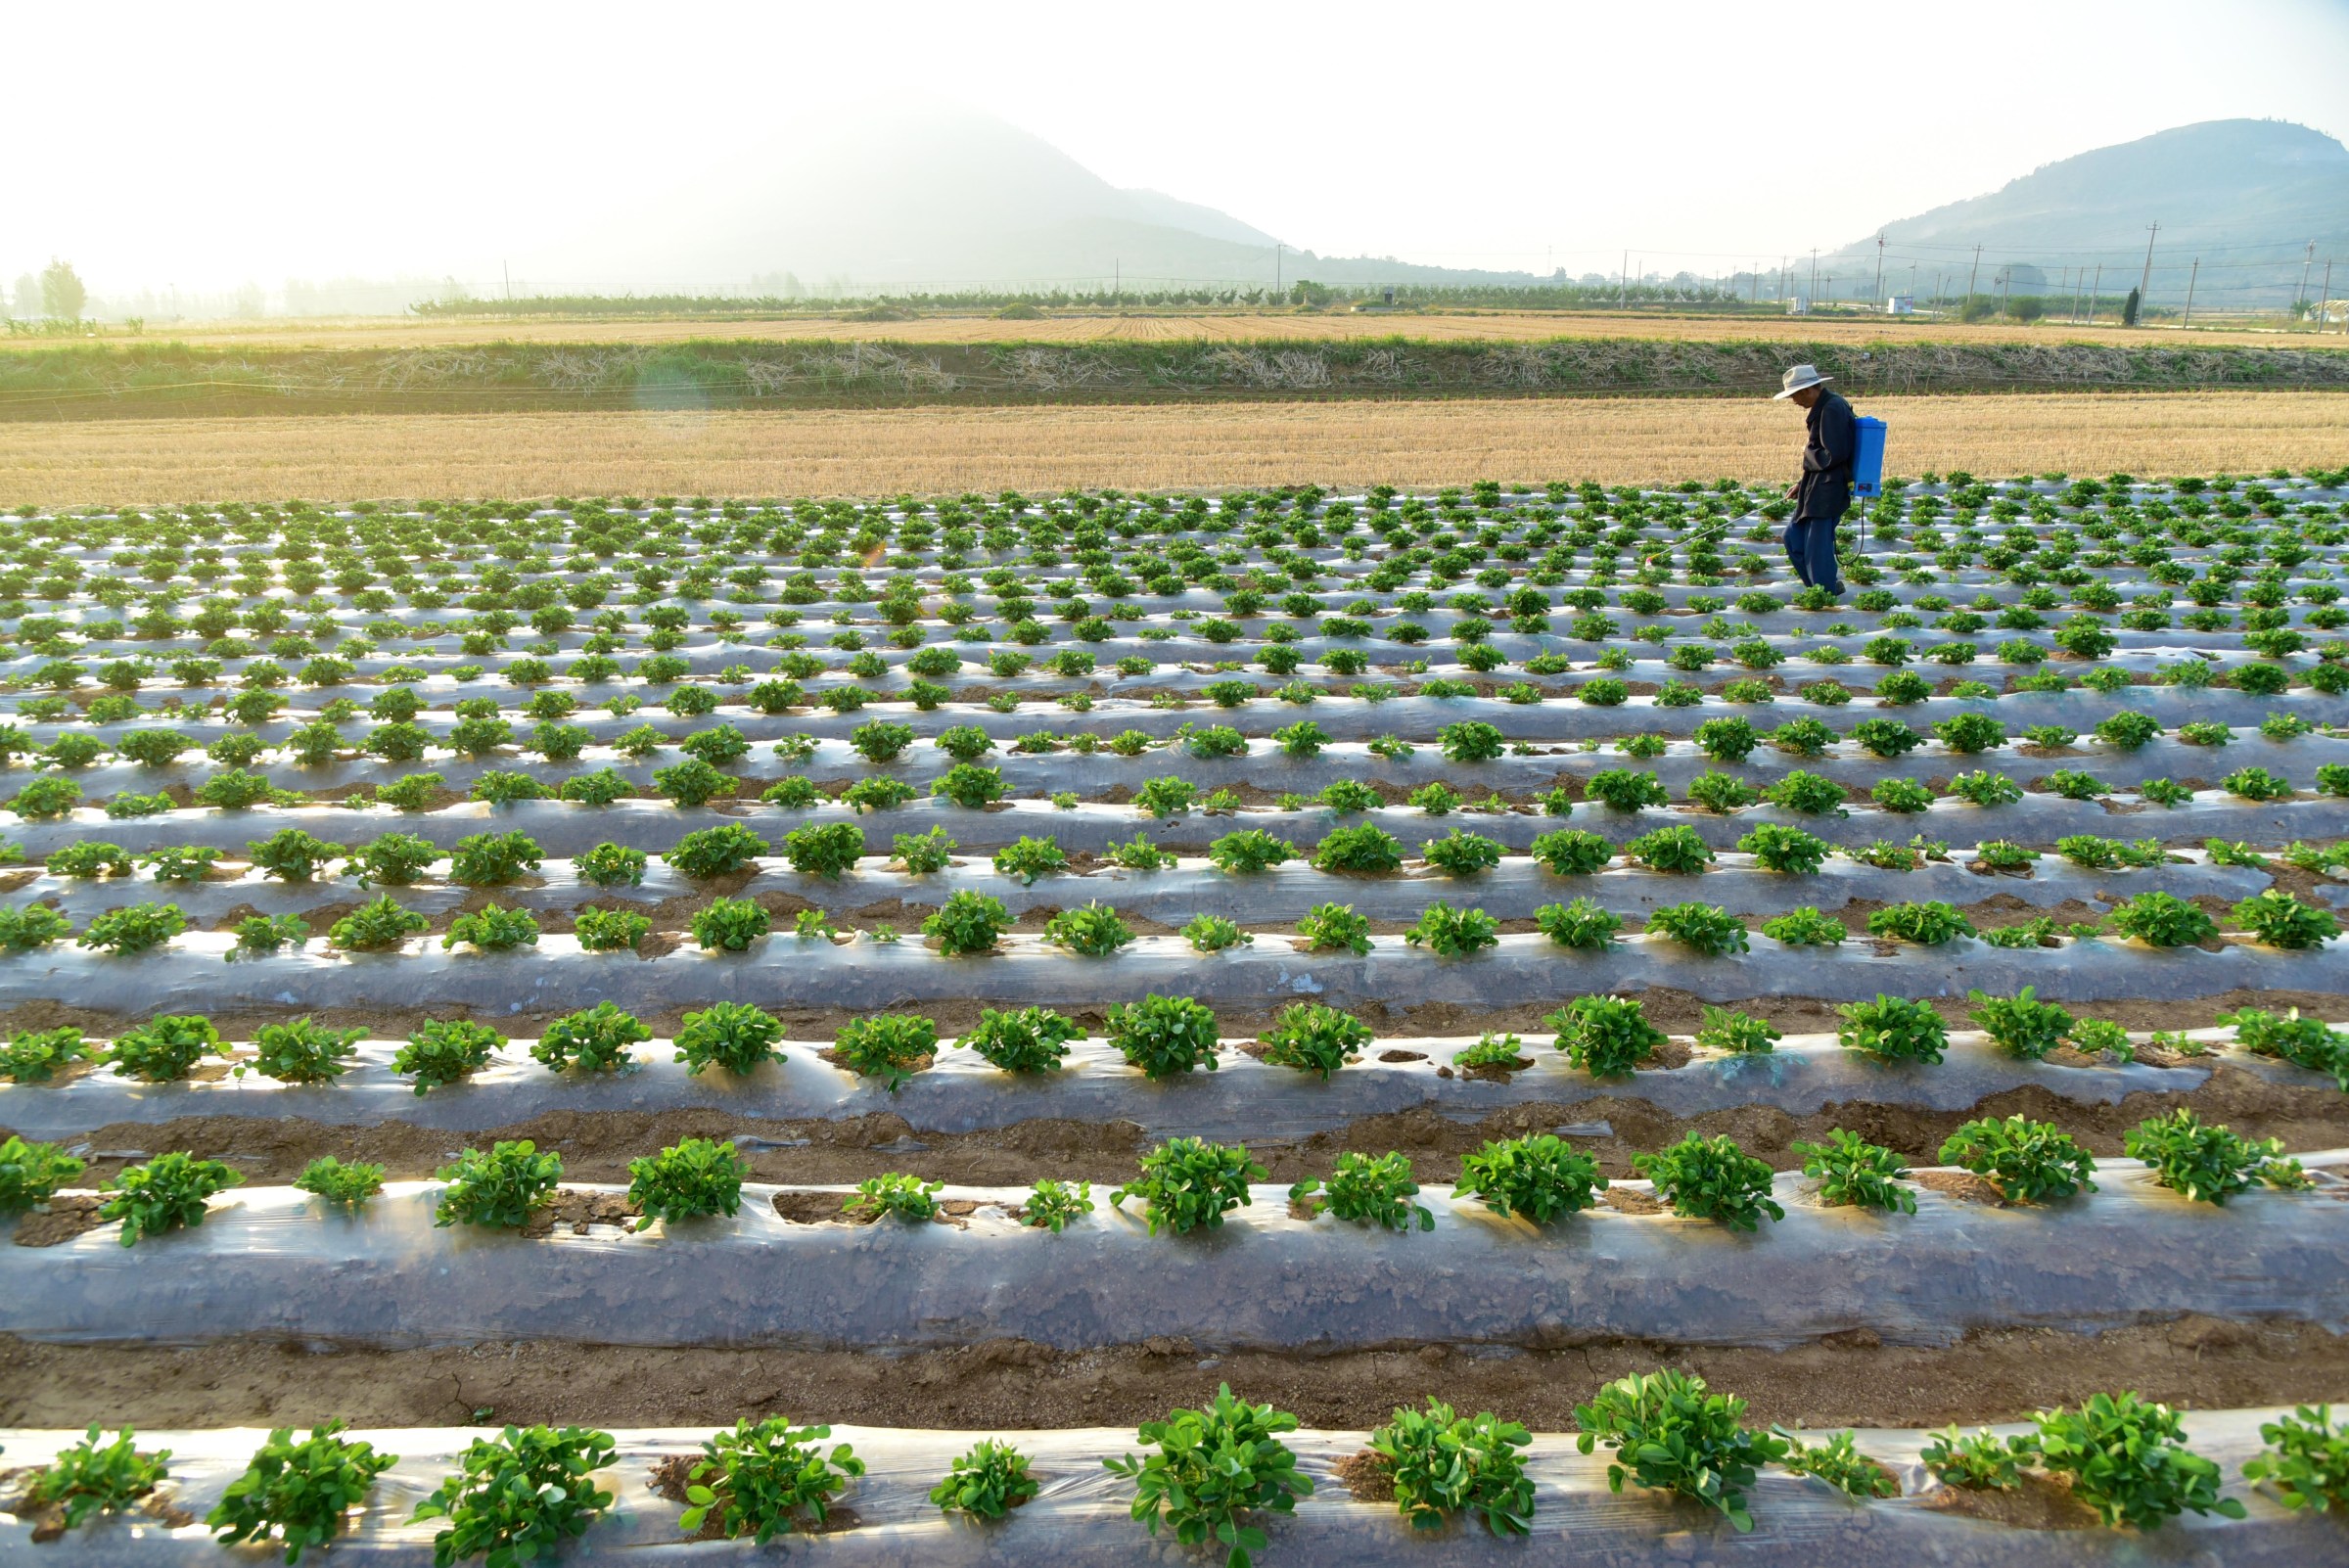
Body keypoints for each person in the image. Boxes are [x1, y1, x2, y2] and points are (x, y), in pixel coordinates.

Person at [1774, 363, 1855, 596]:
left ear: (1808, 390)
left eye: (1794, 396)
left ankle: (1824, 594)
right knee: (1793, 537)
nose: (1794, 401)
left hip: (1829, 489)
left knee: (1816, 549)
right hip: (1816, 486)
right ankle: (1822, 590)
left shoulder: (1832, 408)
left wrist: (1806, 452)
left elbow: (1833, 454)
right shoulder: (1825, 407)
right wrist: (1802, 483)